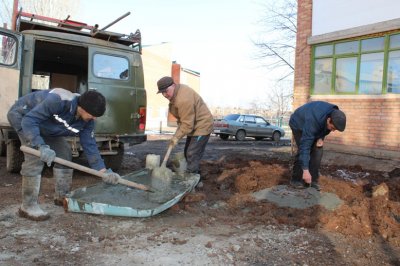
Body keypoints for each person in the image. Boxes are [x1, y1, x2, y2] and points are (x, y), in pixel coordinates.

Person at [7, 88, 121, 221]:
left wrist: (103, 171)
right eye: (93, 114)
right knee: (36, 157)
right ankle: (28, 206)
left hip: (47, 126)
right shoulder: (58, 101)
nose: (94, 118)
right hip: (24, 118)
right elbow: (29, 121)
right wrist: (41, 146)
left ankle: (61, 197)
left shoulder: (88, 121)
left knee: (65, 153)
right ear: (82, 108)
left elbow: (90, 145)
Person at [156, 76, 213, 178]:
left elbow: (187, 124)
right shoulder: (175, 95)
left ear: (173, 85)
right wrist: (175, 137)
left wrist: (176, 137)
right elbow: (183, 121)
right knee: (188, 152)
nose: (164, 95)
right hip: (194, 125)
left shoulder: (183, 99)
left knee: (192, 153)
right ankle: (195, 174)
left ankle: (192, 181)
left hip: (202, 125)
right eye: (162, 92)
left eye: (166, 91)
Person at [289, 101, 346, 191]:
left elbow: (325, 128)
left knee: (318, 150)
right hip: (298, 124)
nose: (333, 131)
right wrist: (305, 170)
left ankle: (313, 180)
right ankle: (296, 179)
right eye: (333, 128)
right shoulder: (313, 121)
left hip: (315, 122)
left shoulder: (334, 115)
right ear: (328, 120)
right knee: (303, 150)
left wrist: (320, 137)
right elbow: (305, 147)